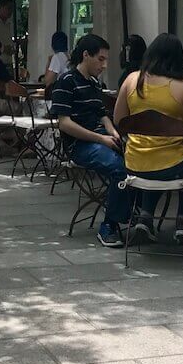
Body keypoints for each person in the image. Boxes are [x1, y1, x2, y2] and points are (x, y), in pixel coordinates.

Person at [114, 33, 183, 244]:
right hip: (172, 165)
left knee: (155, 164)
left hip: (135, 163)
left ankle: (145, 218)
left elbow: (119, 120)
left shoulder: (131, 80)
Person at [50, 34, 129, 248]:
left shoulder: (95, 84)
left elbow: (103, 115)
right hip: (80, 145)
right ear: (86, 55)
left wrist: (113, 132)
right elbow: (64, 123)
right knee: (119, 168)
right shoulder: (66, 82)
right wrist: (101, 138)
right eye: (101, 59)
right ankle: (110, 225)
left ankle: (136, 217)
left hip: (102, 137)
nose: (104, 65)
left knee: (142, 160)